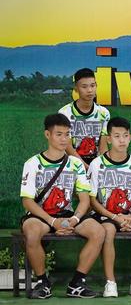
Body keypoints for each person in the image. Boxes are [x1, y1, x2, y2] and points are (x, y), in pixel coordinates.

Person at [20, 114, 105, 299]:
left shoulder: (75, 163)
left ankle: (77, 284)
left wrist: (72, 220)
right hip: (41, 216)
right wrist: (53, 221)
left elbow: (84, 199)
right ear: (47, 135)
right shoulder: (33, 163)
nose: (64, 139)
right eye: (59, 134)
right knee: (32, 232)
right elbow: (27, 201)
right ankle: (43, 282)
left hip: (66, 215)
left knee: (98, 231)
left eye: (67, 134)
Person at [88, 117, 131, 297]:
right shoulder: (97, 164)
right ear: (109, 139)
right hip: (104, 214)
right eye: (117, 136)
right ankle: (110, 283)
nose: (121, 140)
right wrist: (114, 217)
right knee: (108, 231)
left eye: (125, 136)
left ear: (130, 138)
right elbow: (92, 200)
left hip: (129, 214)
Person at [59, 68, 110, 168]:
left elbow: (103, 147)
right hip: (71, 162)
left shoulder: (104, 113)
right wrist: (86, 168)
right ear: (76, 89)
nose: (90, 90)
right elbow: (67, 147)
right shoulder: (64, 113)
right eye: (84, 87)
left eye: (92, 85)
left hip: (95, 162)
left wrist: (100, 167)